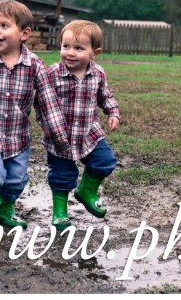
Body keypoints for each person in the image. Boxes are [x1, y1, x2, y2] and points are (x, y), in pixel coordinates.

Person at [0, 0, 71, 230]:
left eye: (4, 25)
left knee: (16, 179)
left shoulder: (35, 65)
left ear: (24, 33)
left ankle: (4, 209)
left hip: (18, 138)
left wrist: (58, 136)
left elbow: (47, 102)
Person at [43, 20, 120, 228]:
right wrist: (48, 127)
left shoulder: (98, 74)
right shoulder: (52, 74)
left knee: (105, 161)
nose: (70, 52)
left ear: (95, 53)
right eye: (65, 46)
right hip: (59, 137)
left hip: (89, 133)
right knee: (62, 175)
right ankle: (60, 211)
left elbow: (105, 95)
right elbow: (41, 102)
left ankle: (86, 190)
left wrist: (112, 112)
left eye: (79, 48)